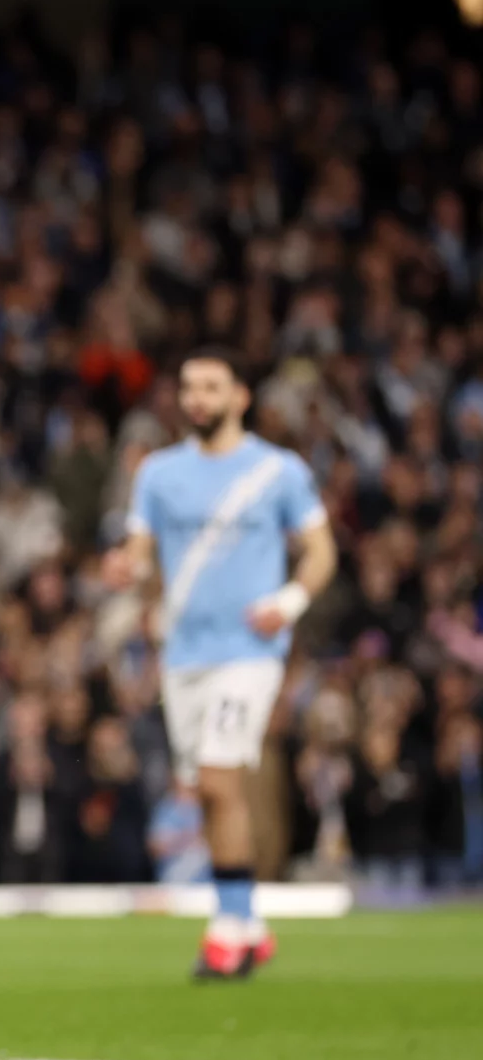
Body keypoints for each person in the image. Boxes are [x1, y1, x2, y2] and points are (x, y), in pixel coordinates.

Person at [107, 348, 337, 978]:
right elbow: (141, 553)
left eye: (211, 387)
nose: (197, 398)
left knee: (216, 778)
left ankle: (228, 931)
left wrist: (289, 600)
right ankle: (251, 922)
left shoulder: (277, 472)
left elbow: (321, 551)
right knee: (208, 795)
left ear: (241, 396)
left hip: (249, 651)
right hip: (183, 653)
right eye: (188, 387)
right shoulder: (157, 473)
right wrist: (128, 568)